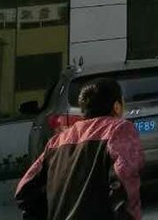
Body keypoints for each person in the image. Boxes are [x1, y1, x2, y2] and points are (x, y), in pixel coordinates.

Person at [15, 77, 144, 220]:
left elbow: (25, 190)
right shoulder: (118, 129)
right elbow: (125, 181)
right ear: (117, 107)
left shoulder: (57, 142)